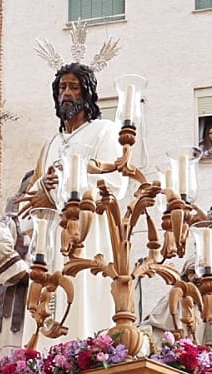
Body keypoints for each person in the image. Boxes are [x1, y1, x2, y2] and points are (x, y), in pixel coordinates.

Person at [30, 61, 126, 343]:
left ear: (87, 93)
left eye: (74, 87)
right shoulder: (51, 144)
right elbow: (34, 195)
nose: (67, 93)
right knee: (50, 299)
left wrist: (69, 183)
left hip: (90, 232)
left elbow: (114, 183)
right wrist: (44, 187)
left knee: (84, 294)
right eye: (62, 88)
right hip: (52, 239)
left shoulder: (105, 131)